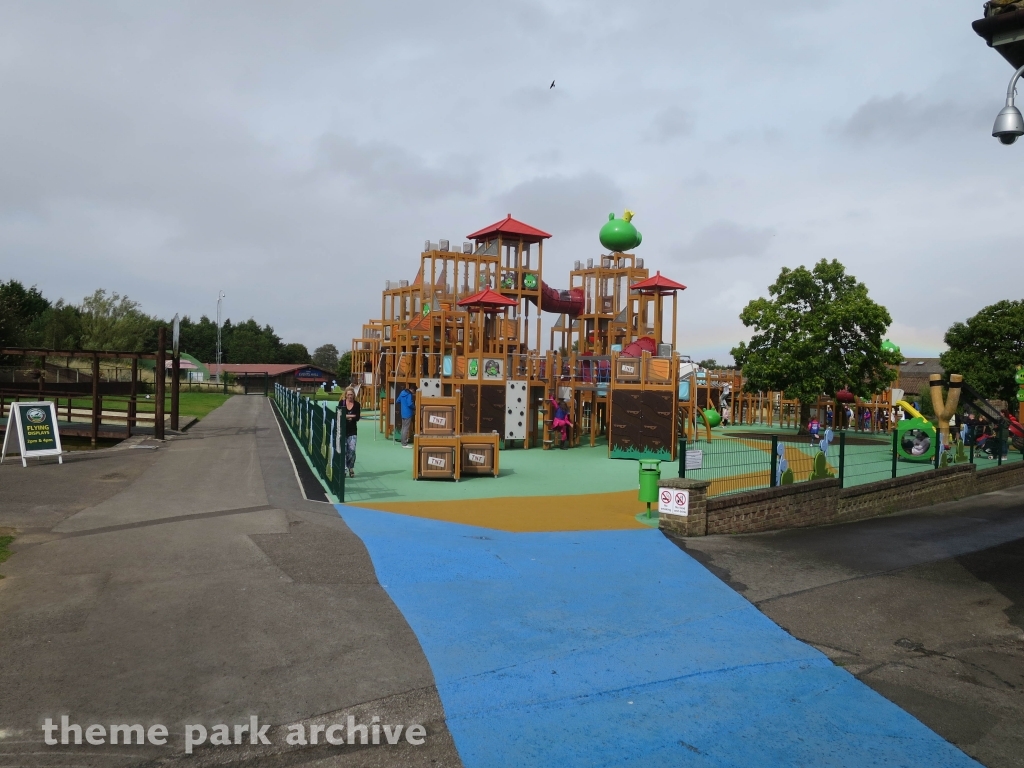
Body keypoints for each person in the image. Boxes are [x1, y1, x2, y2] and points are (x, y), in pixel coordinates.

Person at [340, 388, 361, 477]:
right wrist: (350, 416)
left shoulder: (357, 404)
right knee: (343, 450)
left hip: (352, 431)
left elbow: (357, 417)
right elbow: (339, 414)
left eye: (351, 395)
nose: (350, 396)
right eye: (348, 395)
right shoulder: (342, 403)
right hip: (343, 430)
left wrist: (348, 416)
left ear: (354, 395)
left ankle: (350, 467)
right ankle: (344, 469)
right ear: (346, 395)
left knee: (351, 450)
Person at [397, 383, 416, 448]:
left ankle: (403, 441)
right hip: (408, 413)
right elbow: (410, 404)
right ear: (413, 390)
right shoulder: (409, 394)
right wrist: (415, 407)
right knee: (406, 428)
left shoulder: (402, 392)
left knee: (403, 428)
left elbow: (398, 401)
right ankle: (404, 444)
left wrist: (403, 404)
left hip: (403, 412)